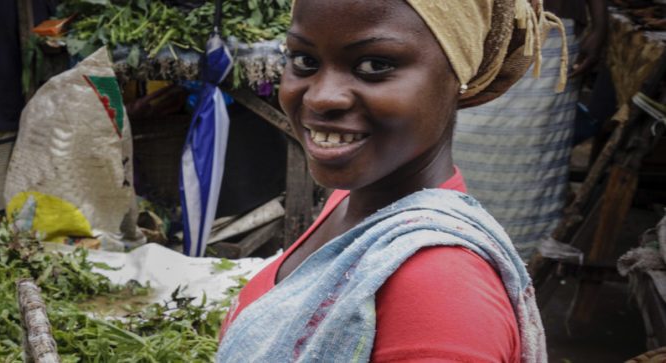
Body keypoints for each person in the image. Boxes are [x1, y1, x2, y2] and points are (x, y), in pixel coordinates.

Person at [217, 0, 562, 361]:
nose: (321, 97)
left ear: (460, 75)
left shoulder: (441, 295)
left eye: (374, 66)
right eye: (305, 60)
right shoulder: (354, 203)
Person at [453, 0, 606, 259]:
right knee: (461, 140)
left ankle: (524, 259)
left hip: (547, 29)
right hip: (469, 24)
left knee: (532, 154)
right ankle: (456, 245)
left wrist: (601, 26)